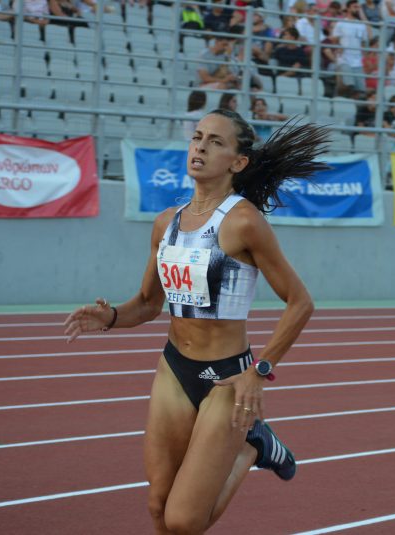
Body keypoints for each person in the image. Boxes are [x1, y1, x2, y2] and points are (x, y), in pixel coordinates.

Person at [63, 110, 330, 535]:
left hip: (227, 378)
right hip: (175, 369)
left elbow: (301, 302)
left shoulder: (244, 222)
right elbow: (148, 304)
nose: (201, 146)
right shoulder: (164, 223)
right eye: (198, 137)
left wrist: (259, 371)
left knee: (184, 520)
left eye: (215, 142)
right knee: (158, 505)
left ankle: (252, 448)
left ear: (238, 162)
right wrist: (111, 316)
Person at [333, 0, 373, 96]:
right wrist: (338, 47)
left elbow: (367, 39)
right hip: (344, 59)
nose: (357, 9)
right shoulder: (341, 23)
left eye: (358, 7)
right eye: (355, 7)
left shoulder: (361, 25)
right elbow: (334, 39)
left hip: (357, 61)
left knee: (361, 90)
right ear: (348, 8)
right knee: (349, 85)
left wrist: (365, 57)